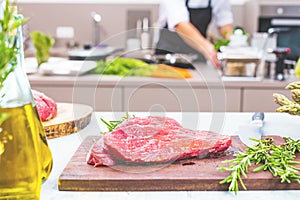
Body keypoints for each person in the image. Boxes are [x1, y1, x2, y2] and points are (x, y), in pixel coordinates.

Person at [155, 0, 234, 67]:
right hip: (169, 57)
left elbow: (224, 22)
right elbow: (180, 25)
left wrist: (233, 43)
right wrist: (208, 48)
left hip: (198, 58)